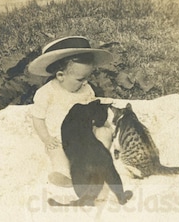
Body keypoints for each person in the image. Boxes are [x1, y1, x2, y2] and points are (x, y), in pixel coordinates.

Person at [28, 36, 114, 187]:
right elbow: (38, 118)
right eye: (80, 79)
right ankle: (63, 173)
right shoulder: (47, 93)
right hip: (60, 138)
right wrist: (47, 138)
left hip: (85, 136)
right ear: (60, 75)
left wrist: (103, 124)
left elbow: (93, 109)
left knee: (105, 134)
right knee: (56, 152)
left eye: (88, 77)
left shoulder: (86, 89)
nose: (86, 82)